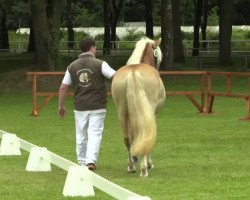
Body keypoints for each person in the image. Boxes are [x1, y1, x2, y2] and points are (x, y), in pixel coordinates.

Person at [58, 37, 116, 170]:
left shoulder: (71, 66)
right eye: (95, 47)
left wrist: (61, 106)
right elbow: (116, 76)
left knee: (81, 135)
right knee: (95, 133)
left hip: (80, 106)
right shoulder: (100, 64)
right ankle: (91, 161)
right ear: (92, 48)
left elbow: (63, 87)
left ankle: (82, 161)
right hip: (98, 105)